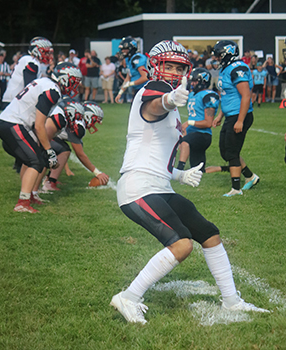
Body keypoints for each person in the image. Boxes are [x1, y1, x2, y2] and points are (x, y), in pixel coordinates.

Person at [110, 40, 268, 325]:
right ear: (156, 66)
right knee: (182, 245)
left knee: (209, 233)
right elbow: (154, 107)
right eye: (167, 66)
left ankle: (231, 301)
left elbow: (155, 156)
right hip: (138, 188)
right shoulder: (154, 91)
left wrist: (180, 174)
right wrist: (169, 100)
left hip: (159, 184)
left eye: (178, 67)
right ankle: (129, 297)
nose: (172, 72)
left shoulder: (174, 100)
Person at [0, 62, 82, 213]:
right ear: (64, 79)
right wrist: (49, 150)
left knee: (35, 159)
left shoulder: (45, 82)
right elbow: (39, 125)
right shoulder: (52, 90)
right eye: (73, 81)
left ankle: (27, 196)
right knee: (35, 161)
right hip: (14, 123)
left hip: (12, 122)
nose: (74, 85)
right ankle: (22, 203)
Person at [212, 40, 259, 197]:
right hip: (230, 115)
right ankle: (250, 176)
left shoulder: (237, 68)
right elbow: (227, 96)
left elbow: (246, 96)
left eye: (219, 56)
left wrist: (240, 120)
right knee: (225, 151)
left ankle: (236, 188)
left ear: (227, 54)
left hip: (239, 116)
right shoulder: (226, 69)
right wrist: (220, 115)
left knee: (231, 151)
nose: (217, 59)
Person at [42, 100, 109, 191]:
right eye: (95, 119)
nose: (95, 123)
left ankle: (50, 179)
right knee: (64, 150)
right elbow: (80, 153)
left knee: (63, 148)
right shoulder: (78, 124)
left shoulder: (76, 119)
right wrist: (97, 173)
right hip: (44, 135)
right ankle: (49, 182)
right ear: (89, 115)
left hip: (44, 133)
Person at [177, 67, 220, 173]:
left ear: (203, 81)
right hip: (193, 134)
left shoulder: (209, 95)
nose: (193, 83)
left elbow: (208, 123)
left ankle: (179, 169)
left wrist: (189, 123)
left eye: (195, 81)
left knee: (184, 142)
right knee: (198, 171)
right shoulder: (192, 94)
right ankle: (227, 169)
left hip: (202, 135)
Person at [2, 36, 54, 110]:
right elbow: (30, 87)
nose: (48, 55)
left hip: (13, 99)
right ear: (36, 51)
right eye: (45, 52)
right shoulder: (31, 62)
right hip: (14, 101)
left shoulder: (30, 60)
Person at [115, 36, 148, 103]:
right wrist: (120, 93)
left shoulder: (137, 58)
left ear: (131, 49)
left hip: (145, 90)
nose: (122, 51)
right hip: (137, 90)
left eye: (125, 49)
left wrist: (131, 83)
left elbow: (145, 77)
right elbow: (128, 77)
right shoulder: (128, 60)